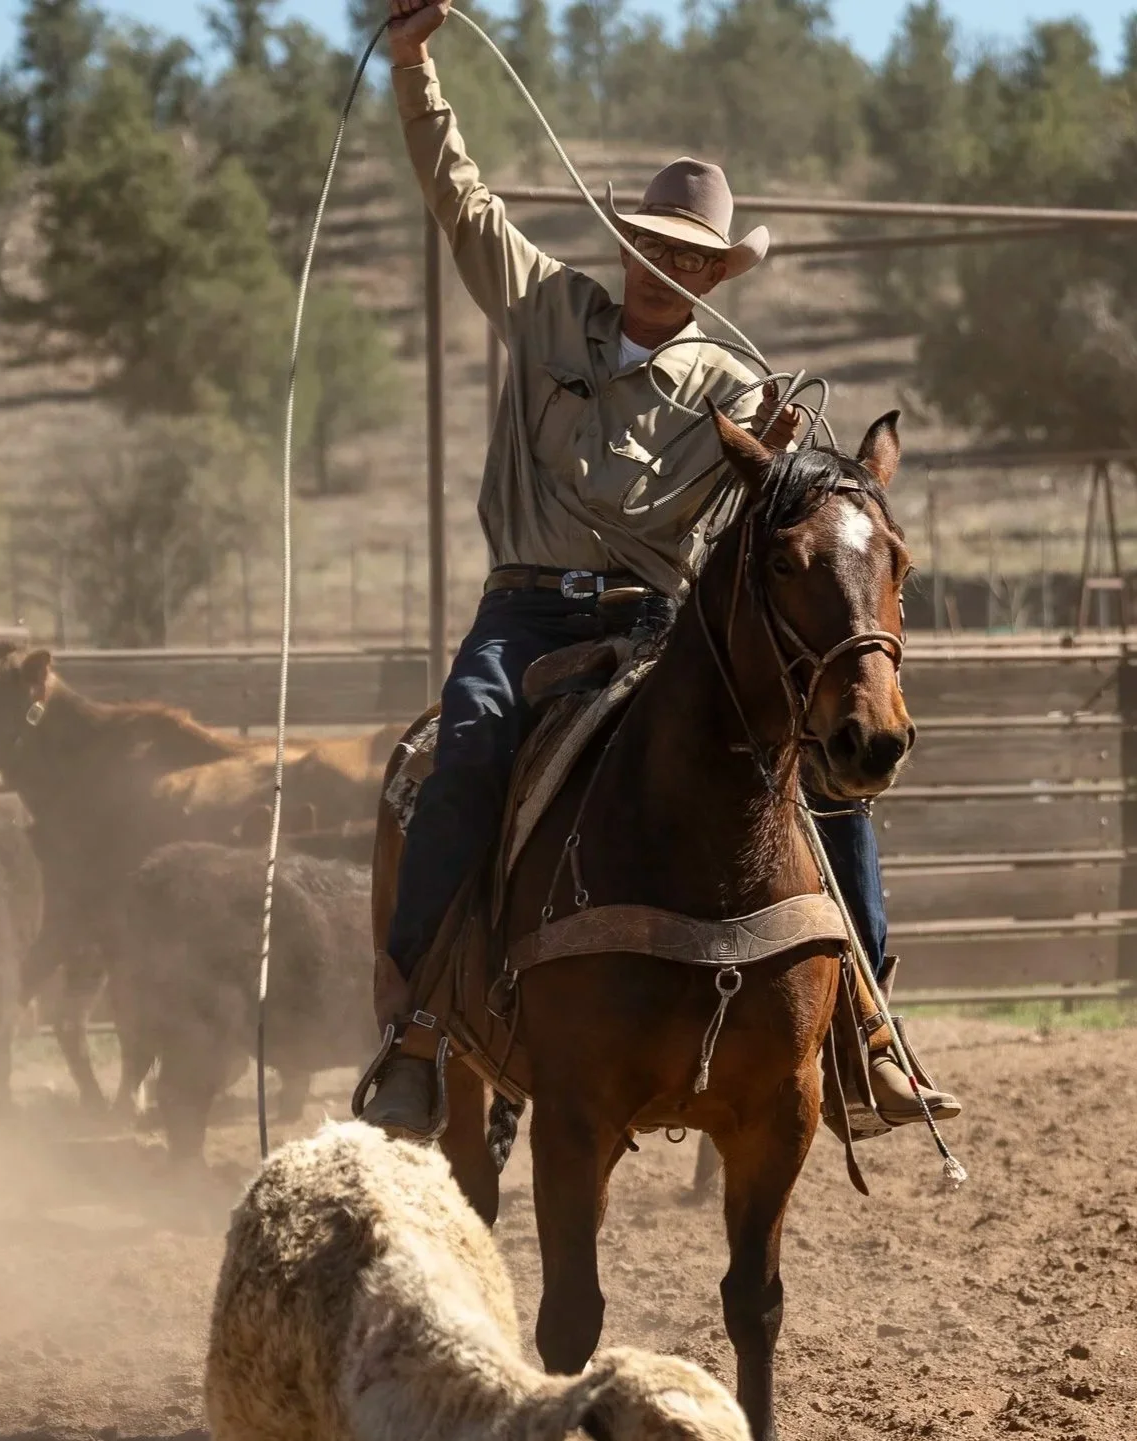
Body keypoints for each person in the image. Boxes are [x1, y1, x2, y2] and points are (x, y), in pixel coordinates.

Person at [358, 0, 961, 1138]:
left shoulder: (735, 392)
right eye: (652, 248)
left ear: (713, 277)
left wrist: (780, 463)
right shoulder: (543, 306)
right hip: (525, 612)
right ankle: (415, 1029)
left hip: (654, 622)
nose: (665, 270)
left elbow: (782, 517)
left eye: (690, 259)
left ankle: (864, 1030)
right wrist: (411, 65)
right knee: (468, 747)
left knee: (801, 763)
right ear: (624, 245)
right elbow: (458, 195)